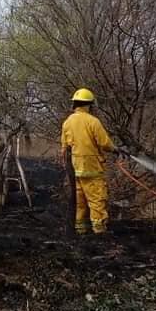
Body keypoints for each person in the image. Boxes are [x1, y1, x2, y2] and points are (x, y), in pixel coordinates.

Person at [60, 88, 123, 235]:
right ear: (89, 105)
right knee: (96, 200)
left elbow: (64, 148)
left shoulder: (67, 122)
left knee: (80, 202)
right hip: (92, 168)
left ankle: (81, 230)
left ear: (75, 104)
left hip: (76, 170)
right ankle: (99, 230)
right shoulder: (92, 121)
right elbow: (104, 143)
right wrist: (115, 149)